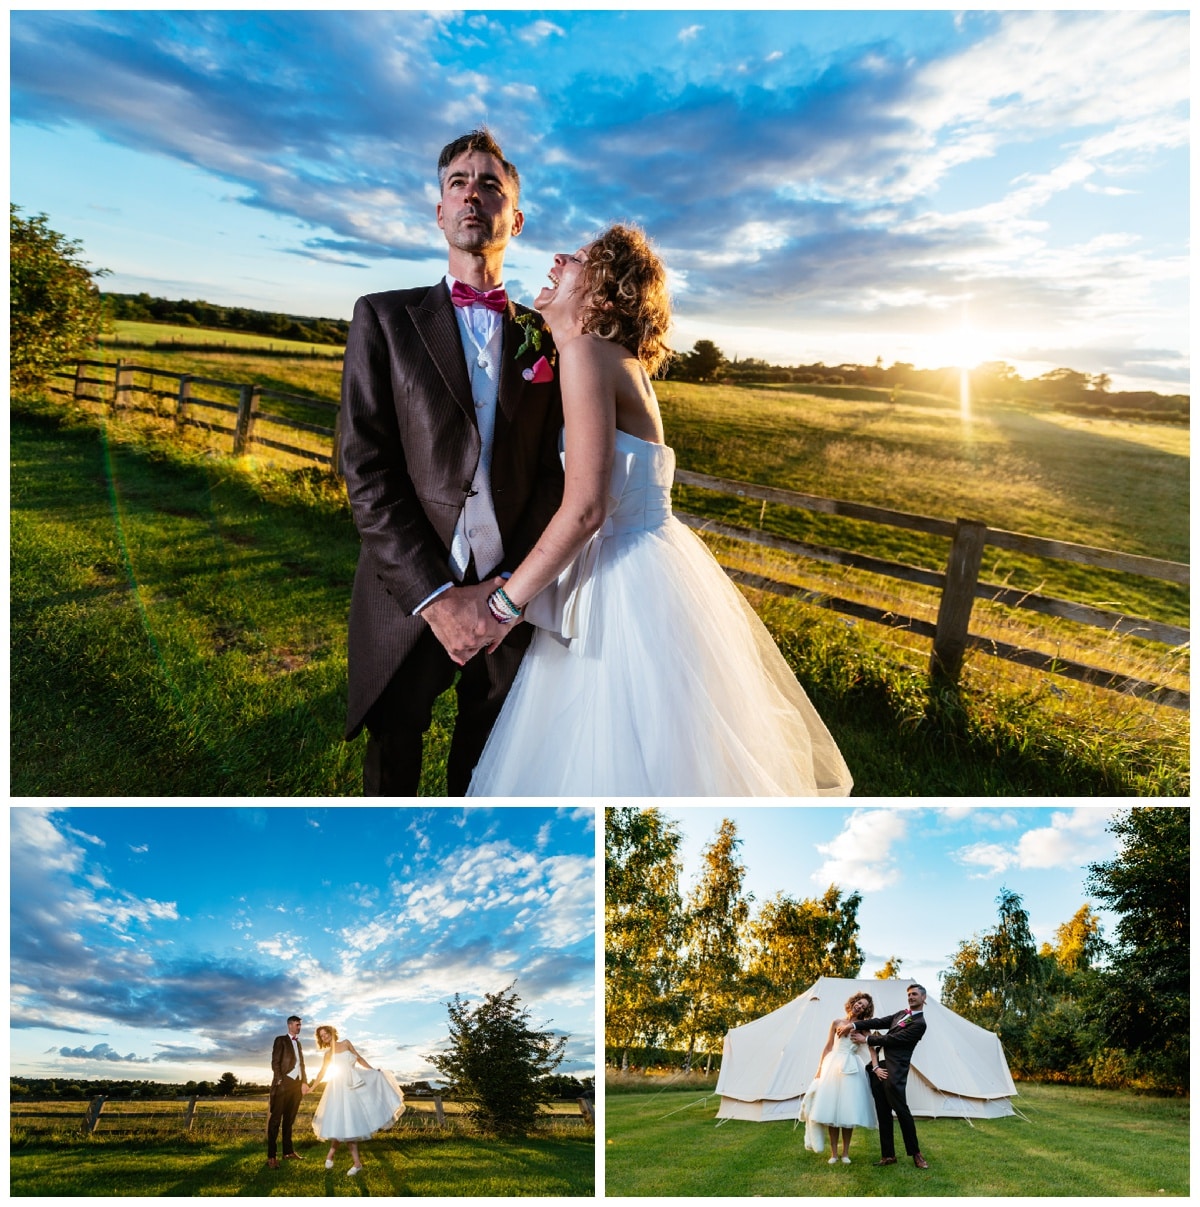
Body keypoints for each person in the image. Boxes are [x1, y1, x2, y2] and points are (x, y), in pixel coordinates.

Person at [465, 225, 852, 795]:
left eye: (579, 259)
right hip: (649, 563)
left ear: (604, 295)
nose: (558, 259)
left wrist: (502, 605)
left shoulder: (586, 354)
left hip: (621, 582)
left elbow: (587, 508)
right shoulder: (618, 361)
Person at [340, 128, 564, 795]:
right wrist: (437, 601)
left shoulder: (548, 336)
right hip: (407, 593)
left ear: (515, 219)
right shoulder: (383, 318)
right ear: (439, 211)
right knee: (392, 765)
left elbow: (558, 474)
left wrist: (507, 596)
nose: (473, 195)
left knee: (490, 773)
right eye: (457, 183)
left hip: (510, 600)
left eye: (490, 184)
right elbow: (365, 467)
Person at [849, 982, 930, 1169]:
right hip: (877, 1069)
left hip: (894, 1072)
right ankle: (888, 1155)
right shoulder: (901, 1015)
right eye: (909, 994)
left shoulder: (920, 1024)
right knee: (883, 1113)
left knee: (902, 1112)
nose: (911, 997)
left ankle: (916, 1154)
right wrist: (854, 1024)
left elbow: (893, 1039)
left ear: (923, 998)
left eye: (915, 994)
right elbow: (877, 1022)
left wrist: (866, 1039)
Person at [310, 1025, 406, 1176]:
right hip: (337, 1089)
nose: (325, 1037)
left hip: (353, 1086)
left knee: (349, 1125)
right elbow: (322, 1072)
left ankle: (346, 1161)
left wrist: (373, 1071)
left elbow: (359, 1059)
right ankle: (344, 1160)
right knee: (341, 1124)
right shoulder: (328, 1054)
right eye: (321, 1036)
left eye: (326, 1033)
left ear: (332, 1033)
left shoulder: (346, 1043)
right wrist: (311, 1088)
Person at [799, 991, 878, 1163]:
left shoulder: (864, 1027)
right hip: (832, 1067)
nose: (859, 1006)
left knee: (848, 1112)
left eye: (863, 1006)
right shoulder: (836, 1022)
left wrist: (876, 1065)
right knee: (831, 1111)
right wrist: (820, 1069)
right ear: (853, 1002)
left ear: (865, 1011)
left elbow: (872, 1047)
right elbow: (828, 1047)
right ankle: (834, 1154)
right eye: (858, 1003)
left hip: (852, 1068)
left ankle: (845, 1154)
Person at [266, 1014, 310, 1169]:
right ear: (290, 1025)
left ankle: (288, 1152)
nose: (300, 1027)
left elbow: (302, 1064)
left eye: (300, 1025)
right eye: (297, 1025)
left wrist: (304, 1081)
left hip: (296, 1086)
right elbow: (275, 1062)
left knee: (289, 1120)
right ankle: (271, 1157)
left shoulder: (298, 1044)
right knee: (275, 1121)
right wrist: (279, 1080)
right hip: (283, 1084)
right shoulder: (280, 1040)